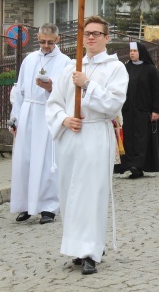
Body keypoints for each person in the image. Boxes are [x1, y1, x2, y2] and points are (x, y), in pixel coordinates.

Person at [45, 15, 129, 275]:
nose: (90, 37)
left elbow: (113, 104)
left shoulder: (115, 69)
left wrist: (88, 85)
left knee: (92, 193)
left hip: (94, 134)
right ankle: (76, 248)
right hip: (71, 136)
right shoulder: (69, 68)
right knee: (70, 192)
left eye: (96, 33)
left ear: (106, 37)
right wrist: (64, 119)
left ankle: (92, 251)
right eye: (86, 33)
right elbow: (54, 103)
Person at [10, 23, 72, 225]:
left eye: (49, 42)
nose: (45, 46)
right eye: (42, 42)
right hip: (28, 112)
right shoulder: (29, 60)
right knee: (25, 160)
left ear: (58, 39)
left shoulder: (65, 62)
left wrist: (50, 87)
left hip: (48, 113)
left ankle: (48, 207)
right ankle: (26, 205)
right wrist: (15, 117)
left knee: (48, 163)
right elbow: (19, 91)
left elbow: (68, 92)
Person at [119, 42, 159, 178]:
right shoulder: (125, 68)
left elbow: (156, 91)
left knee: (141, 138)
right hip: (127, 109)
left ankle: (139, 165)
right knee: (129, 137)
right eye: (131, 51)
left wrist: (156, 110)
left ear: (141, 52)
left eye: (135, 51)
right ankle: (130, 164)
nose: (132, 53)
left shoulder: (150, 69)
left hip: (143, 109)